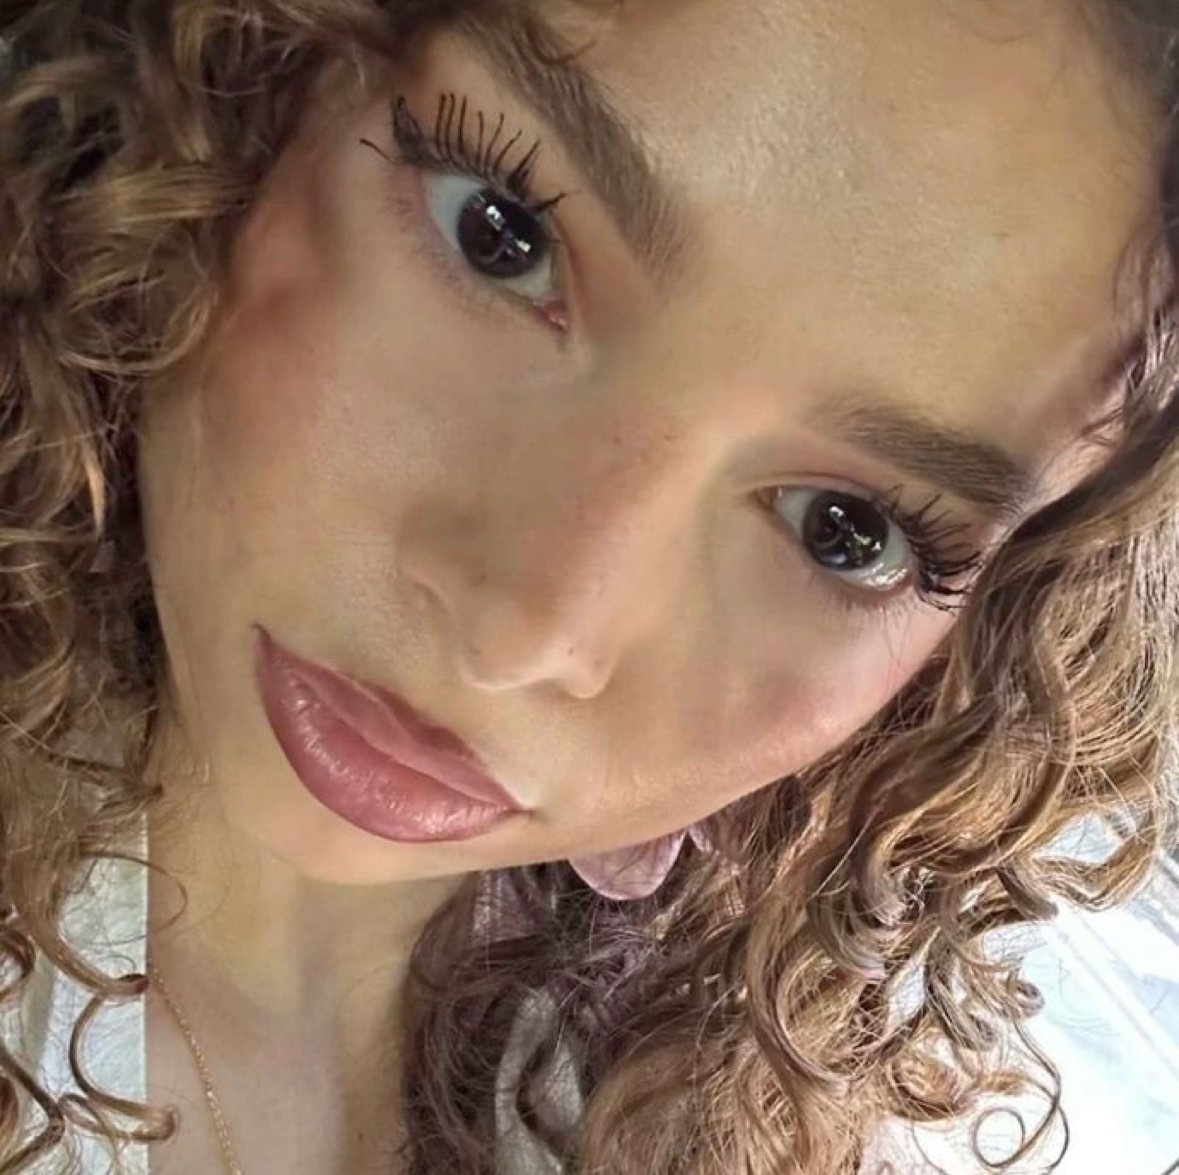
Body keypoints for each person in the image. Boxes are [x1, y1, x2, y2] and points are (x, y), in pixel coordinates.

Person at [0, 0, 1176, 1171]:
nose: (525, 628)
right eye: (500, 233)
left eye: (844, 530)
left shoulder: (697, 1112)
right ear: (258, 68)